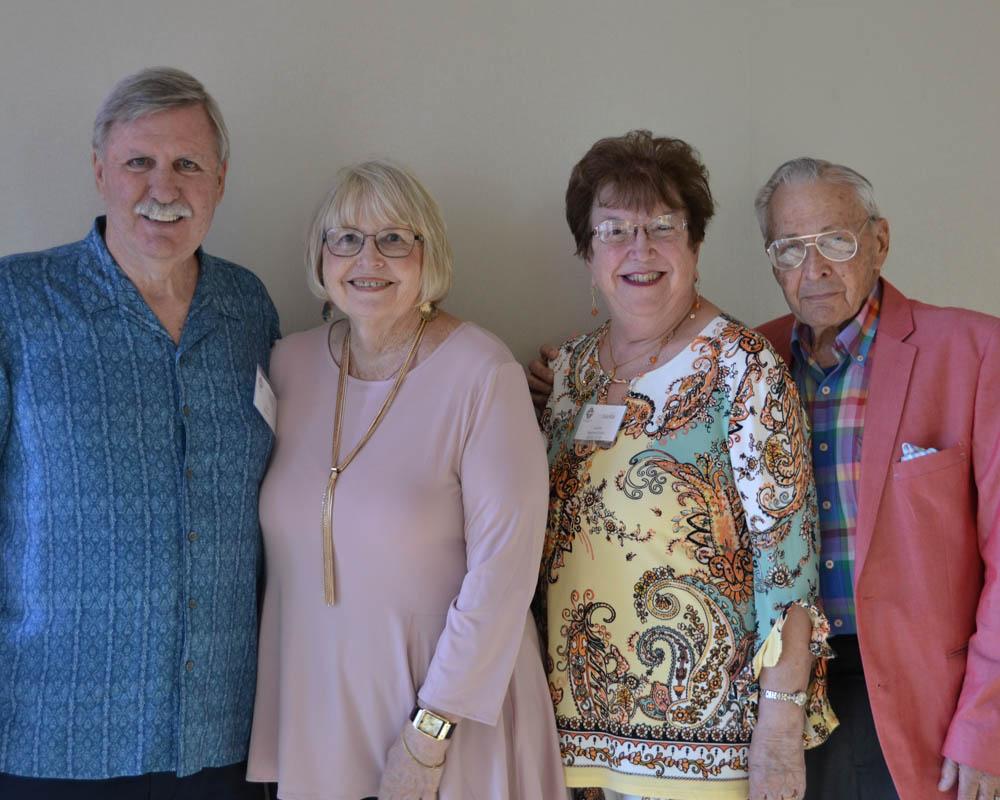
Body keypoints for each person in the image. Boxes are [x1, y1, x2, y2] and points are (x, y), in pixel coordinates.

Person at [245, 160, 565, 800]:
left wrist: (429, 734)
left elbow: (505, 572)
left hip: (449, 724)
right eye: (346, 238)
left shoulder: (481, 370)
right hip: (320, 716)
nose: (369, 258)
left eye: (395, 238)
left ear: (429, 257)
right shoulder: (288, 364)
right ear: (321, 256)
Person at [0, 68, 278, 799]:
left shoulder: (248, 307)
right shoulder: (16, 302)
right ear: (100, 172)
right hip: (52, 730)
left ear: (219, 178)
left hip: (223, 729)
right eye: (138, 162)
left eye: (187, 163)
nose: (165, 185)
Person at [534, 130, 834, 800]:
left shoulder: (743, 368)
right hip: (569, 741)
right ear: (588, 254)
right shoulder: (570, 373)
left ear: (695, 245)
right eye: (614, 229)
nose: (639, 249)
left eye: (662, 226)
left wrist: (780, 736)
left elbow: (788, 570)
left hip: (706, 751)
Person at [753, 158, 1000, 800]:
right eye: (790, 249)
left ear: (879, 241)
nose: (815, 270)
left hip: (931, 707)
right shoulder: (748, 362)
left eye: (836, 241)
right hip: (783, 701)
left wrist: (987, 725)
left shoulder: (976, 352)